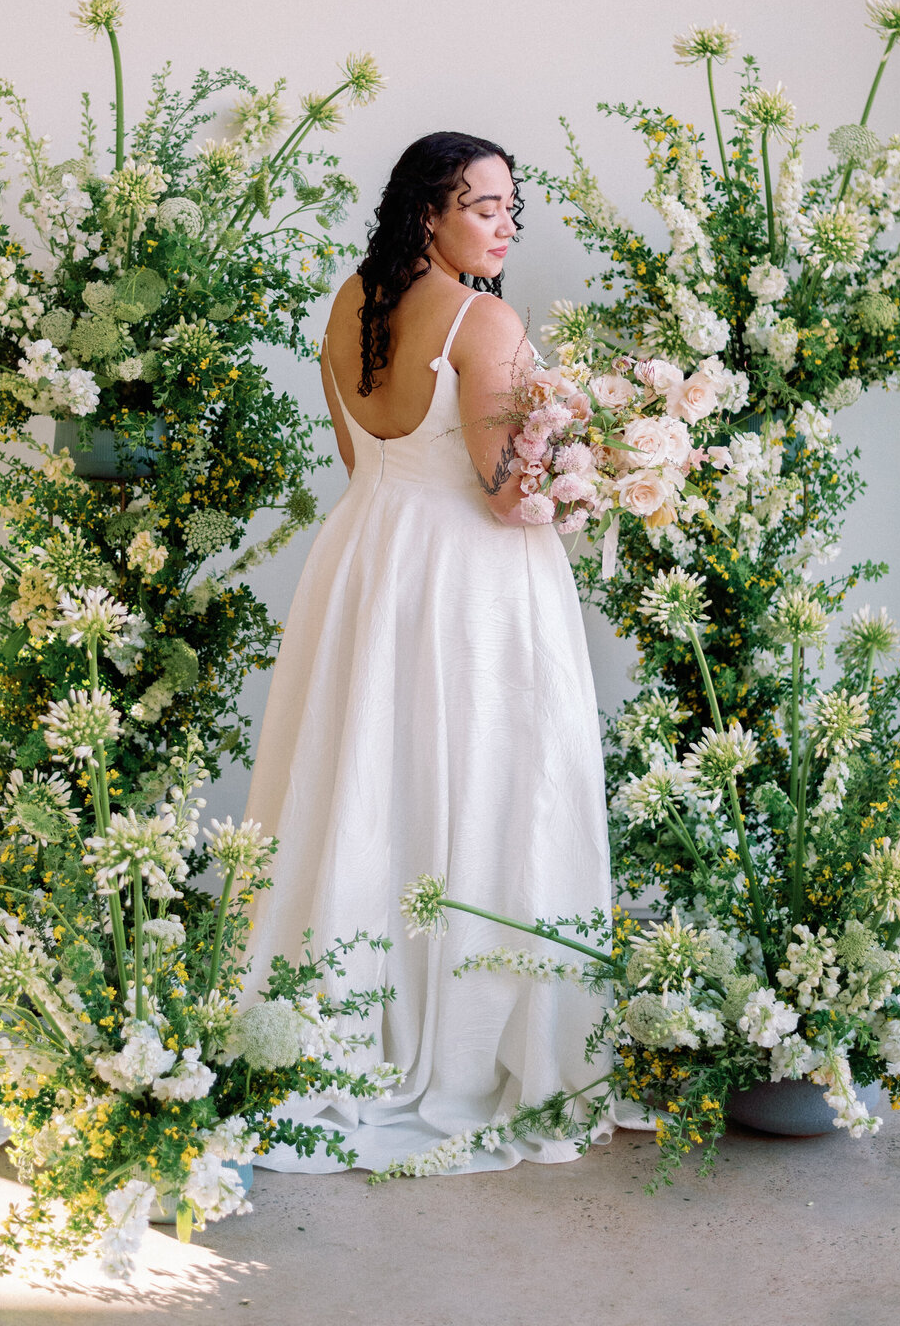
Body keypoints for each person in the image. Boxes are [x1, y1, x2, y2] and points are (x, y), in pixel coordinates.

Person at [241, 130, 622, 1173]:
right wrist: (587, 461)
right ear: (430, 214)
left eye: (512, 210)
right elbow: (508, 497)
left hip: (366, 558)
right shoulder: (484, 319)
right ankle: (458, 1046)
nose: (504, 225)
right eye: (485, 207)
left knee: (366, 775)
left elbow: (353, 450)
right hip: (470, 585)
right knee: (488, 780)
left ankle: (340, 1009)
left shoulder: (350, 296)